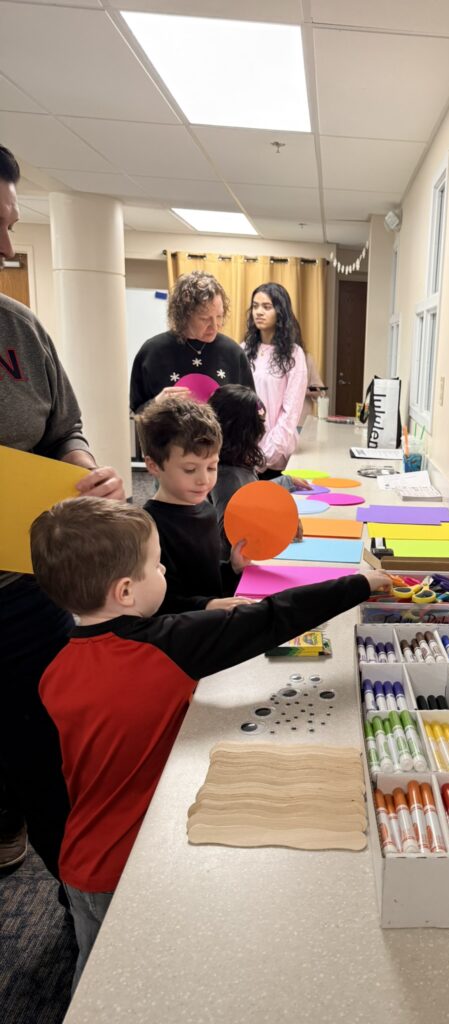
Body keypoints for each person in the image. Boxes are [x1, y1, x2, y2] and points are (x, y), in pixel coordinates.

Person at [30, 497, 390, 988]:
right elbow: (270, 618)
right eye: (157, 564)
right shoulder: (165, 648)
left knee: (93, 981)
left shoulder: (54, 670)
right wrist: (361, 583)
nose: (164, 571)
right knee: (142, 982)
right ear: (126, 590)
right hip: (132, 864)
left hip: (79, 860)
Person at [0, 143, 125, 881]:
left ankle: (74, 894)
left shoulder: (20, 329)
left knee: (49, 757)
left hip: (25, 592)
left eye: (10, 224)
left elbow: (64, 427)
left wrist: (81, 466)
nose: (7, 248)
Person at [136, 395, 251, 614]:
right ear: (154, 465)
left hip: (212, 623)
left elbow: (207, 579)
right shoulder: (147, 528)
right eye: (190, 469)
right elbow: (158, 604)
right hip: (185, 630)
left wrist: (232, 569)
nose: (204, 480)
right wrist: (206, 606)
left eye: (212, 467)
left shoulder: (207, 510)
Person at [208, 384, 310, 558]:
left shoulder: (238, 463)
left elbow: (249, 493)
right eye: (259, 425)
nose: (263, 431)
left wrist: (285, 481)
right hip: (241, 569)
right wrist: (278, 523)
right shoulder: (226, 476)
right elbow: (230, 536)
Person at [129, 271, 254, 414]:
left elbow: (250, 411)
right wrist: (157, 403)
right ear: (184, 315)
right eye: (205, 319)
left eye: (219, 316)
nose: (215, 326)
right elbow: (137, 412)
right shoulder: (152, 352)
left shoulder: (233, 353)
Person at [243, 283, 307, 478]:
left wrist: (265, 455)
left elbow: (290, 412)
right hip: (244, 452)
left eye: (266, 307)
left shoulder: (294, 354)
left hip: (277, 455)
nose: (259, 312)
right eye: (255, 306)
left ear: (280, 311)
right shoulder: (242, 350)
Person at [300, 350, 326, 430]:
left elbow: (320, 390)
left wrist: (305, 390)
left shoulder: (306, 358)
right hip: (277, 424)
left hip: (301, 422)